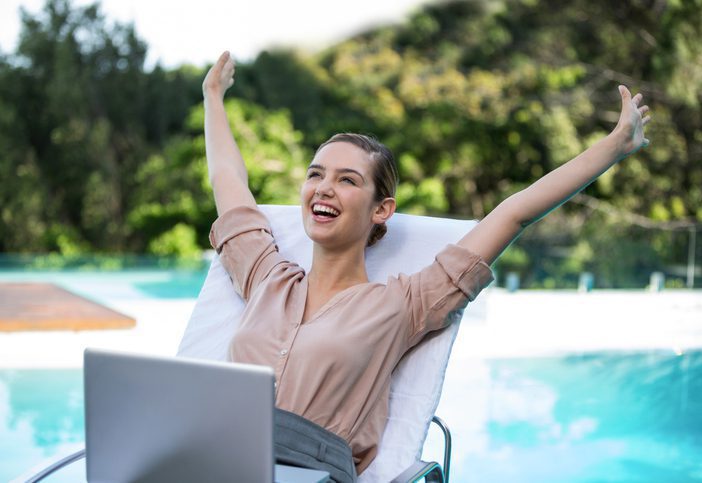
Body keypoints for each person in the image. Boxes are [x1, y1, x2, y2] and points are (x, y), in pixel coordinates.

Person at [201, 51, 650, 480]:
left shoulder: (402, 305)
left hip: (308, 473)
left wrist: (614, 147)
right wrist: (213, 97)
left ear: (382, 209)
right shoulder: (267, 277)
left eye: (347, 180)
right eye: (316, 174)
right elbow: (228, 181)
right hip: (213, 455)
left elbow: (514, 213)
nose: (323, 188)